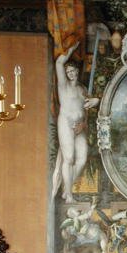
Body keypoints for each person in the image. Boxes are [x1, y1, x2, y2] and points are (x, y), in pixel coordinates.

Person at [51, 41, 99, 203]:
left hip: (79, 127)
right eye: (68, 72)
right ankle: (69, 196)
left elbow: (87, 110)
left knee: (82, 159)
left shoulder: (83, 89)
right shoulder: (63, 86)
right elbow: (59, 62)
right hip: (66, 124)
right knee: (69, 158)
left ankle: (67, 188)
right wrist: (72, 48)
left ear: (77, 71)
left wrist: (84, 122)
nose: (71, 74)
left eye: (72, 71)